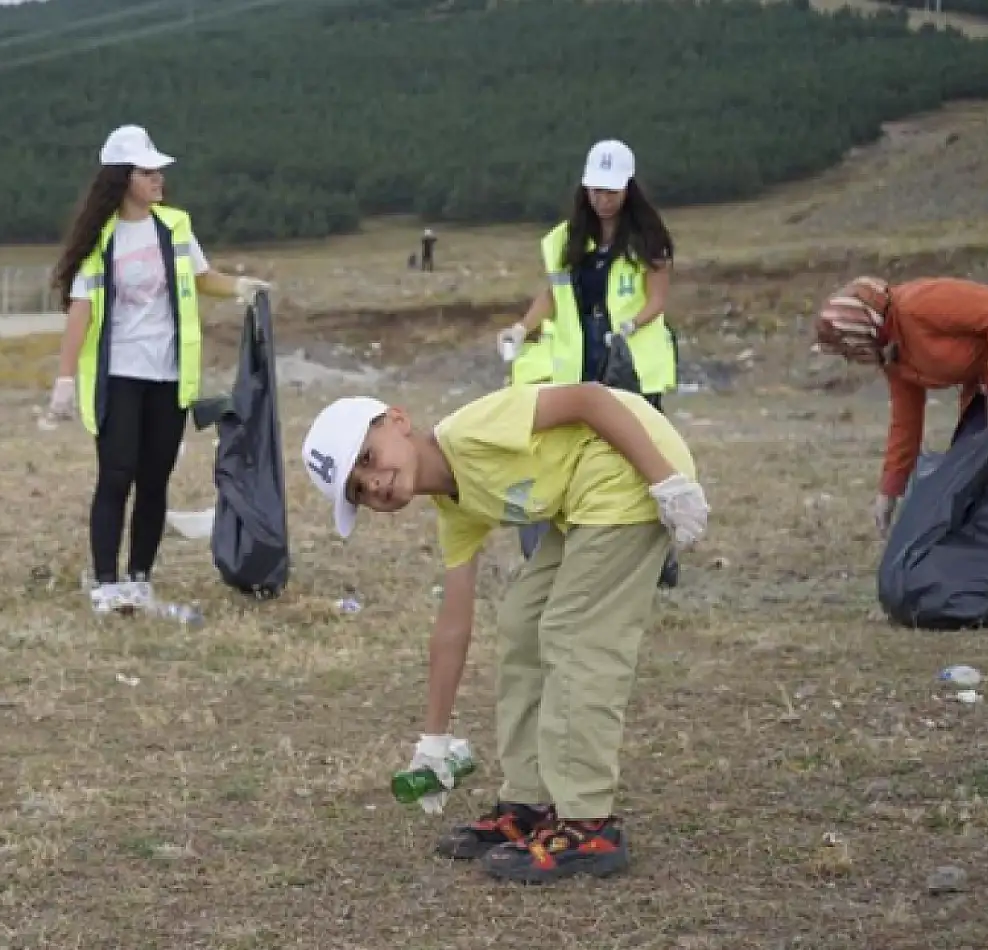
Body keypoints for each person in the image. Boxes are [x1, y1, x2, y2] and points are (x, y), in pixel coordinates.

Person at [300, 381, 709, 883]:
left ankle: (588, 823)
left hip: (631, 471)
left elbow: (589, 400)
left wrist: (666, 482)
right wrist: (434, 740)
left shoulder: (472, 432)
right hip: (584, 498)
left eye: (367, 457)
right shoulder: (454, 506)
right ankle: (529, 803)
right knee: (522, 622)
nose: (373, 483)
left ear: (398, 421)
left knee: (573, 633)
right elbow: (453, 625)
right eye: (357, 491)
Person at [47, 124, 270, 614]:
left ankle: (140, 578)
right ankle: (106, 583)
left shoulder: (175, 226)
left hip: (169, 376)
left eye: (158, 172)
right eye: (149, 172)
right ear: (124, 178)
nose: (159, 180)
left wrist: (239, 288)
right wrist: (65, 377)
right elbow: (81, 311)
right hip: (120, 375)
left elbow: (201, 276)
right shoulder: (101, 241)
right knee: (116, 474)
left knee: (155, 480)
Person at [499, 139, 683, 587]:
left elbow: (657, 300)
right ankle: (587, 554)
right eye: (596, 190)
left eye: (612, 191)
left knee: (643, 459)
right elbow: (553, 295)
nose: (603, 199)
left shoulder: (649, 240)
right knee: (583, 461)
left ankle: (659, 558)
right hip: (579, 369)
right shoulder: (566, 240)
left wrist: (630, 326)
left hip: (632, 367)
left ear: (628, 189)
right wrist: (523, 328)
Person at [815, 275, 988, 536]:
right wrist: (890, 489)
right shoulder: (894, 353)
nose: (850, 358)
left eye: (846, 349)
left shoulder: (920, 303)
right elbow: (906, 418)